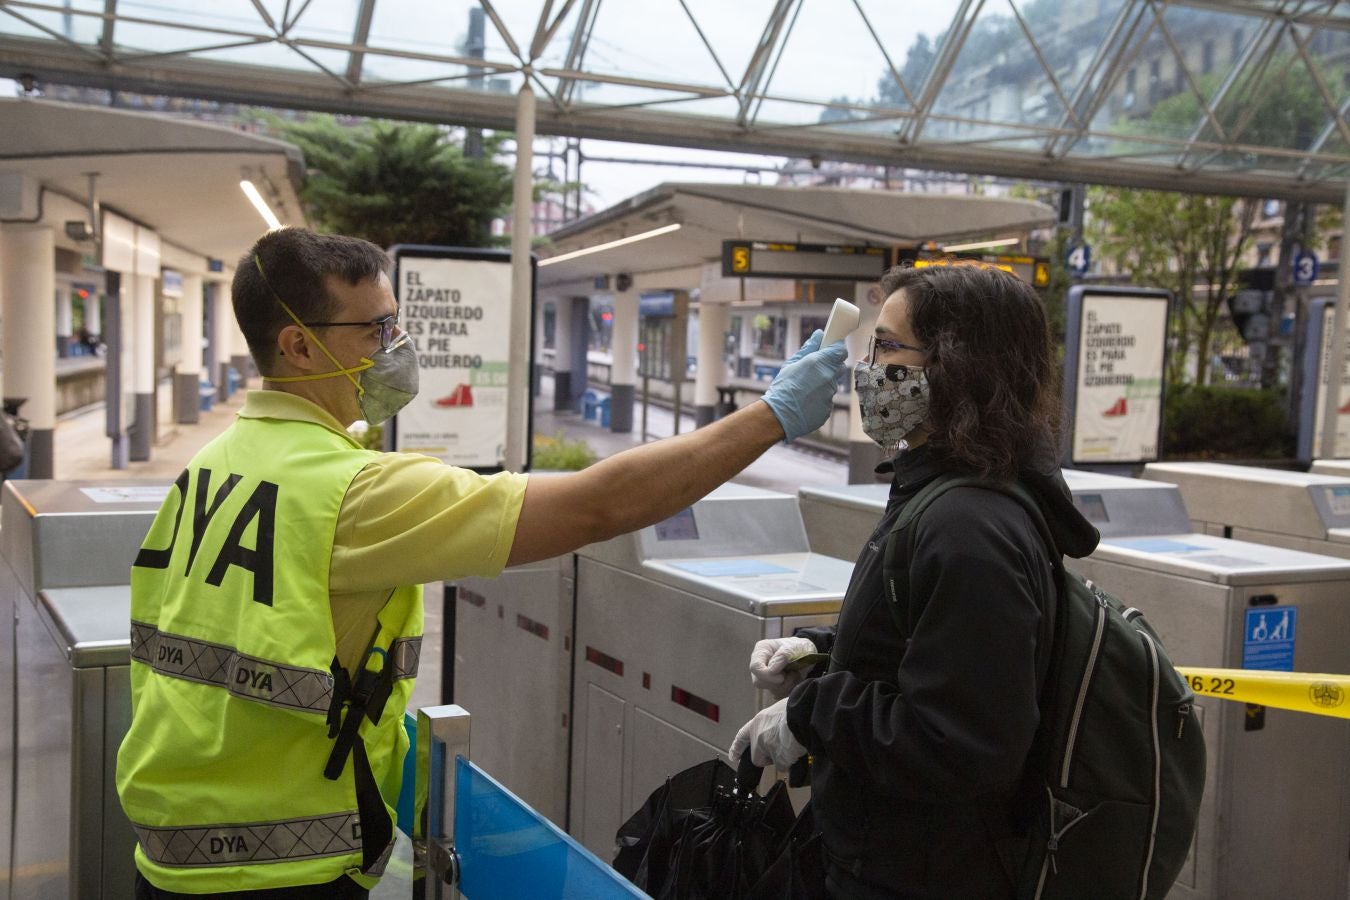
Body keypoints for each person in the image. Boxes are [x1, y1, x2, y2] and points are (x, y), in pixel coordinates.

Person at [115, 227, 846, 899]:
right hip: (282, 867)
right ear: (300, 347)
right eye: (375, 328)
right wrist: (771, 415)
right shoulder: (354, 492)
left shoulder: (212, 465)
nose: (396, 344)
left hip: (174, 848)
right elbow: (598, 506)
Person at [729, 262, 1100, 900]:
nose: (867, 369)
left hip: (920, 875)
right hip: (883, 858)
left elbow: (960, 744)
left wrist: (809, 714)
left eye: (888, 346)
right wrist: (819, 653)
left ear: (959, 365)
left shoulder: (971, 526)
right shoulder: (941, 492)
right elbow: (924, 648)